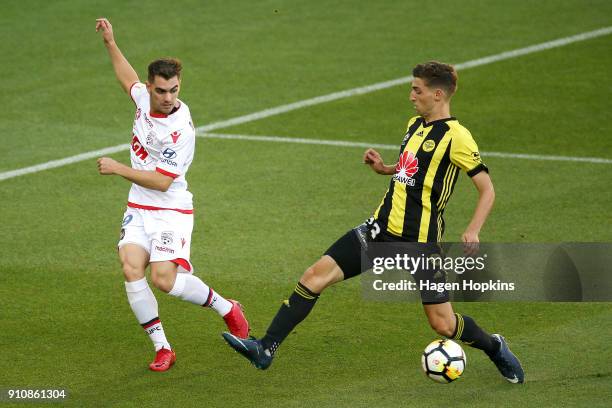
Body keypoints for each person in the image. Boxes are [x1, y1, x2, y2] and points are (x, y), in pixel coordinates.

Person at [223, 61, 524, 383]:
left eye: (416, 90)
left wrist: (473, 229)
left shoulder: (457, 137)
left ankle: (494, 347)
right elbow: (411, 169)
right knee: (314, 276)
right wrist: (384, 168)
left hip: (419, 244)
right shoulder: (414, 125)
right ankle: (265, 348)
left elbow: (487, 189)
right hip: (379, 231)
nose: (411, 96)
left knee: (443, 325)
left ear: (438, 95)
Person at [95, 17, 249, 372]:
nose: (168, 98)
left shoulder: (179, 129)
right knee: (131, 268)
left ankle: (227, 308)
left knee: (163, 279)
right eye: (161, 91)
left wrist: (119, 168)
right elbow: (127, 79)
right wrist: (110, 43)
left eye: (174, 90)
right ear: (151, 88)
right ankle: (163, 348)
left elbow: (162, 182)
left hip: (170, 209)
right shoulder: (143, 99)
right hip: (139, 206)